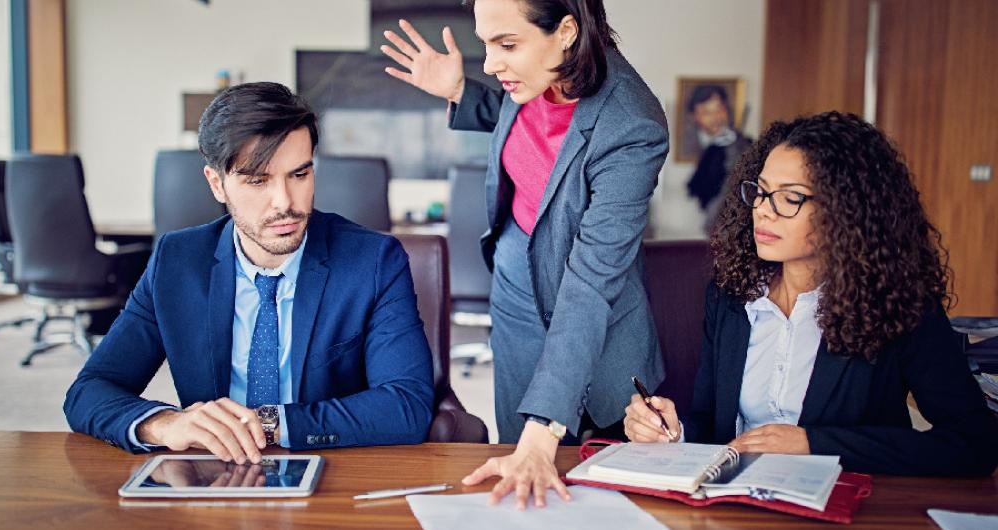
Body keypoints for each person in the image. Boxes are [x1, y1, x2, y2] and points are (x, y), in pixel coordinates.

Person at [381, 0, 668, 508]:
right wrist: (458, 91)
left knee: (599, 496)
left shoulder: (632, 125)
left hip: (596, 321)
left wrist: (545, 429)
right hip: (516, 290)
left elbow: (592, 280)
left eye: (506, 45)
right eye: (485, 43)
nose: (490, 63)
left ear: (565, 31)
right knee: (520, 489)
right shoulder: (536, 76)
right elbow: (515, 116)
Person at [64, 82, 435, 463]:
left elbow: (407, 405)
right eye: (257, 181)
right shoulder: (177, 261)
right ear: (216, 184)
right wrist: (164, 424)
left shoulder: (372, 260)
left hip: (331, 468)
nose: (285, 203)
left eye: (299, 175)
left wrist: (264, 424)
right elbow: (90, 390)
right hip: (213, 476)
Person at [624, 111, 998, 476]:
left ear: (846, 210)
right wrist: (672, 432)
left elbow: (974, 443)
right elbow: (713, 425)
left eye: (790, 198)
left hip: (848, 510)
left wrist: (813, 444)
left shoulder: (899, 305)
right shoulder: (732, 297)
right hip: (733, 508)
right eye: (761, 191)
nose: (762, 211)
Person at [684, 84, 751, 234]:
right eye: (707, 112)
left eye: (720, 109)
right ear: (695, 116)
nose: (716, 117)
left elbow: (729, 194)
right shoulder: (708, 145)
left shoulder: (740, 146)